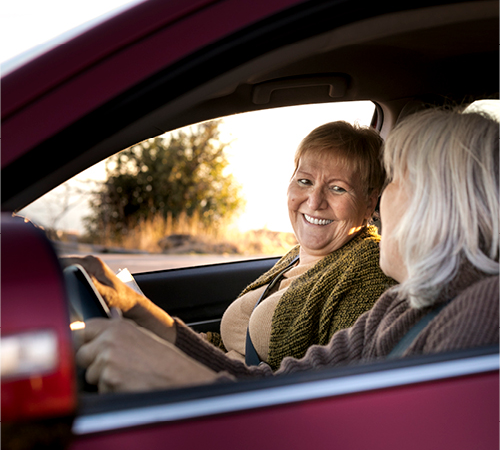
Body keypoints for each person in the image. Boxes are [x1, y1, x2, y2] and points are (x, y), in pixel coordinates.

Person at [73, 106, 499, 391]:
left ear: (442, 203)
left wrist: (177, 380)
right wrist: (140, 311)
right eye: (305, 180)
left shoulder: (481, 312)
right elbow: (282, 384)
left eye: (395, 183)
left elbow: (353, 431)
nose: (385, 201)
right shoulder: (403, 304)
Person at [64, 121, 394, 378]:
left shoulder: (366, 271)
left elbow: (316, 392)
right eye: (305, 181)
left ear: (370, 202)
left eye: (337, 188)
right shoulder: (295, 256)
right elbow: (223, 353)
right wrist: (135, 307)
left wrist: (168, 374)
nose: (314, 201)